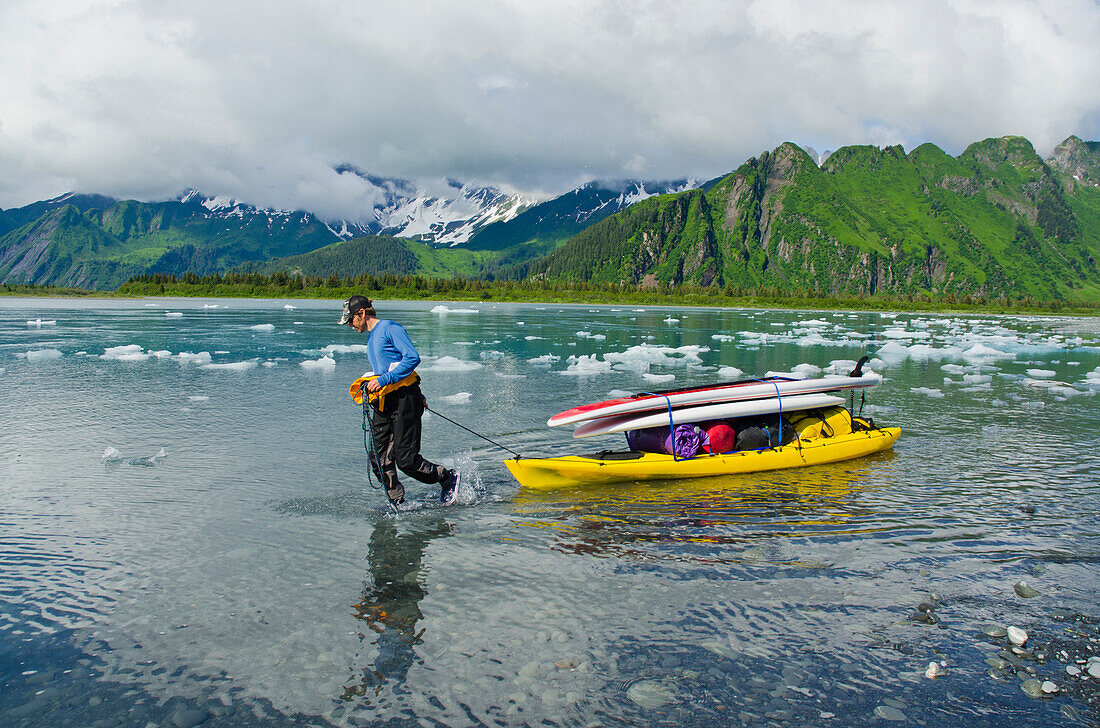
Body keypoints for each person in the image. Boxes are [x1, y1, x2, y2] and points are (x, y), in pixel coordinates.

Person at [340, 294, 459, 506]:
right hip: (385, 402)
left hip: (404, 401)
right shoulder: (372, 336)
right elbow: (389, 366)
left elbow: (412, 358)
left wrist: (408, 391)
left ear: (362, 313)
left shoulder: (390, 329)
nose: (350, 324)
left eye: (351, 319)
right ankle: (397, 501)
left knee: (406, 461)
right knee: (378, 458)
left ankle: (446, 477)